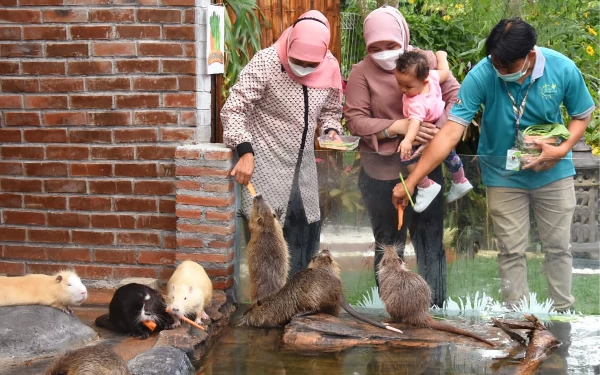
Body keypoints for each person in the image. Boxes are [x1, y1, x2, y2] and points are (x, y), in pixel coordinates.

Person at [392, 18, 595, 312]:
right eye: (495, 63)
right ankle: (518, 316)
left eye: (506, 66)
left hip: (553, 172)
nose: (499, 70)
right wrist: (411, 182)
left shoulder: (561, 67)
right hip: (503, 176)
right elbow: (450, 132)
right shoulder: (483, 73)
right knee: (510, 250)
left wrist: (561, 149)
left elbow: (582, 115)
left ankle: (562, 312)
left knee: (558, 248)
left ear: (530, 56)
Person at [344, 6, 461, 306]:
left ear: (403, 37)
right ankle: (391, 310)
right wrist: (395, 127)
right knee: (389, 247)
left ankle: (435, 308)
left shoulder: (425, 61)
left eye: (391, 46)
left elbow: (456, 98)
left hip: (425, 170)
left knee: (430, 240)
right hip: (380, 173)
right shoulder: (361, 72)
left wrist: (438, 129)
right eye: (375, 48)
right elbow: (355, 119)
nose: (384, 53)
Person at [221, 10, 344, 277]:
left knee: (303, 257)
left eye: (311, 65)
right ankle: (269, 315)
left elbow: (331, 111)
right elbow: (233, 109)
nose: (303, 68)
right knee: (267, 261)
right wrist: (245, 152)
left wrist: (332, 130)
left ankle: (299, 316)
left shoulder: (330, 65)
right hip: (265, 173)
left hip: (305, 177)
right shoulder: (266, 62)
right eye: (296, 60)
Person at [395, 50, 473, 212]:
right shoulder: (431, 77)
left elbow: (415, 123)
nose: (402, 89)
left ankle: (425, 185)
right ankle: (460, 180)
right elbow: (445, 71)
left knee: (406, 158)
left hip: (425, 126)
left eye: (408, 86)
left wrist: (408, 140)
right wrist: (441, 56)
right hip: (440, 123)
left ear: (423, 83)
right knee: (446, 153)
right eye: (399, 83)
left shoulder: (416, 103)